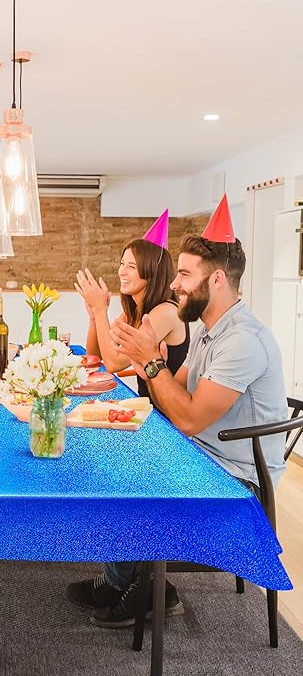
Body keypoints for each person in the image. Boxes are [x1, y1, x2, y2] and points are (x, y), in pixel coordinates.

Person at [68, 196, 288, 630]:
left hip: (236, 479)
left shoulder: (242, 341)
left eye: (185, 274)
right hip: (204, 454)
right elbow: (176, 393)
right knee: (110, 456)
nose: (175, 284)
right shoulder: (209, 331)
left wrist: (150, 362)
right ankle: (125, 581)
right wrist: (146, 364)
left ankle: (149, 591)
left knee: (126, 474)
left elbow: (185, 418)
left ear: (217, 279)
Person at [74, 209, 189, 400]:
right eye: (122, 263)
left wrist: (101, 310)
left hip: (164, 412)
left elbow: (113, 364)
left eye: (132, 267)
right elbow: (95, 358)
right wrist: (95, 316)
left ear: (152, 272)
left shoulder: (166, 312)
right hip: (145, 403)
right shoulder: (134, 310)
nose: (122, 272)